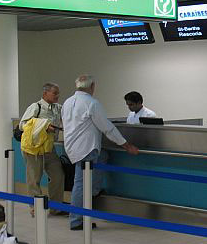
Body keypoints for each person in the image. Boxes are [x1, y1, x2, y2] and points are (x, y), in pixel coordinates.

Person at [62, 75, 139, 230]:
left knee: (83, 180)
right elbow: (107, 127)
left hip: (73, 147)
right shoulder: (92, 103)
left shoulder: (68, 102)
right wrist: (126, 145)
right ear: (92, 86)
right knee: (81, 184)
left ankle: (83, 211)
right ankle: (76, 220)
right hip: (86, 148)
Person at [19, 83, 65, 217]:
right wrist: (43, 125)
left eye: (58, 93)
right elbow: (23, 125)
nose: (57, 95)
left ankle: (56, 206)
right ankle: (35, 208)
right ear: (45, 93)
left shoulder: (58, 108)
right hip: (34, 149)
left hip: (49, 148)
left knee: (58, 175)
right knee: (34, 179)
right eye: (54, 93)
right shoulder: (36, 107)